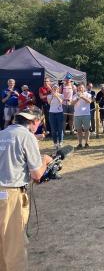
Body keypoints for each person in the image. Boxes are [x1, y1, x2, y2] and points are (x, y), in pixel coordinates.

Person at [0, 107, 52, 270]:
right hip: (10, 195)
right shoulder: (27, 136)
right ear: (34, 122)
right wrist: (45, 161)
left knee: (2, 245)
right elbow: (37, 174)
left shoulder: (2, 134)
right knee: (14, 245)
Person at [72, 84, 92, 149]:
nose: (80, 89)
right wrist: (78, 98)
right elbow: (72, 103)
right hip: (77, 115)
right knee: (79, 130)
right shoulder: (75, 95)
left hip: (86, 114)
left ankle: (87, 143)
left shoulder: (88, 94)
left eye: (82, 88)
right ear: (77, 88)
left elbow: (89, 101)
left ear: (84, 88)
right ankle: (80, 144)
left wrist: (82, 97)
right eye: (79, 88)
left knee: (86, 129)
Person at [47, 84, 64, 149]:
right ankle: (55, 143)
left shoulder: (61, 95)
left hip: (59, 113)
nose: (55, 90)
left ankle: (60, 142)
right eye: (54, 89)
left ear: (58, 90)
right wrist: (52, 96)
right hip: (52, 113)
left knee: (60, 128)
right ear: (52, 89)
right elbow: (49, 103)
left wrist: (56, 96)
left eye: (56, 89)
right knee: (53, 129)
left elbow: (61, 102)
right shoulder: (49, 96)